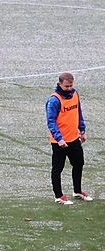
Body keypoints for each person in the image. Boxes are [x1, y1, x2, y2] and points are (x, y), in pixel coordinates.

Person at [46, 72, 91, 205]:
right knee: (57, 168)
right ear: (60, 84)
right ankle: (58, 196)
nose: (69, 88)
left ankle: (77, 191)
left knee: (79, 163)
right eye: (66, 86)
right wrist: (59, 139)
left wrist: (82, 130)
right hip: (59, 142)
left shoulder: (75, 94)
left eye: (71, 85)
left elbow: (78, 113)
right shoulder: (54, 100)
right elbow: (51, 122)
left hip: (73, 138)